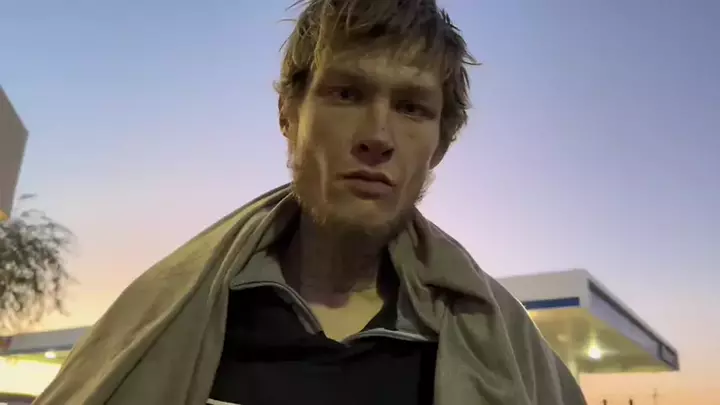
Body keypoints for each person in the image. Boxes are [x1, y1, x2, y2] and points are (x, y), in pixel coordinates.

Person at [35, 0, 587, 404]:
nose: (378, 136)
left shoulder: (507, 347)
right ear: (289, 113)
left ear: (439, 145)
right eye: (346, 93)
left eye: (412, 108)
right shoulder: (173, 311)